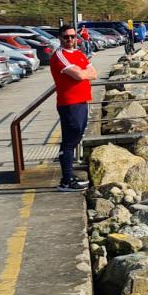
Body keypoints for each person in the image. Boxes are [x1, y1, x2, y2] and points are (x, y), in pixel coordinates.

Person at [49, 26, 97, 192]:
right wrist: (82, 72)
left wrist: (81, 72)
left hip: (82, 100)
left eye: (72, 36)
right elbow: (80, 75)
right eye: (66, 37)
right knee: (70, 141)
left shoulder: (79, 54)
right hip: (69, 103)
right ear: (60, 38)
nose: (69, 40)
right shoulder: (59, 56)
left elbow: (94, 73)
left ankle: (69, 176)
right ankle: (66, 180)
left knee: (76, 137)